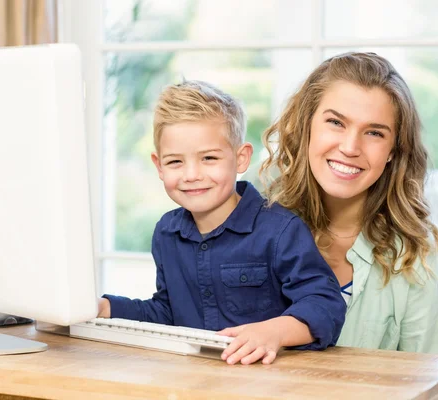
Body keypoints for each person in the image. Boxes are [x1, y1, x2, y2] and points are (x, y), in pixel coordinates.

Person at [97, 80, 346, 365]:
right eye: (176, 162)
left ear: (241, 159)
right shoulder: (166, 233)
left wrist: (274, 332)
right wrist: (105, 307)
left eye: (209, 158)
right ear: (158, 166)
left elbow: (326, 305)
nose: (192, 174)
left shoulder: (280, 231)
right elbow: (167, 313)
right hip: (197, 383)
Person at [256, 52, 438, 354]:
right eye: (336, 122)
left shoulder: (411, 252)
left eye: (374, 132)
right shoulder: (255, 225)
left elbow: (435, 383)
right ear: (306, 126)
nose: (349, 147)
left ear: (393, 151)